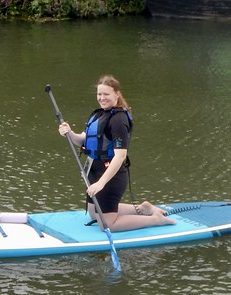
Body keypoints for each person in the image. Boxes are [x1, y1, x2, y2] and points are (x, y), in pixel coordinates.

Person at [57, 75, 174, 231]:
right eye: (99, 94)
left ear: (116, 94)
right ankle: (142, 208)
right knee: (93, 213)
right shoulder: (98, 114)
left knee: (108, 225)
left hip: (111, 175)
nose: (102, 98)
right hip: (94, 170)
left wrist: (101, 183)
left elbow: (120, 156)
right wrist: (70, 133)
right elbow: (83, 140)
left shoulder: (118, 120)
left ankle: (155, 220)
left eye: (106, 94)